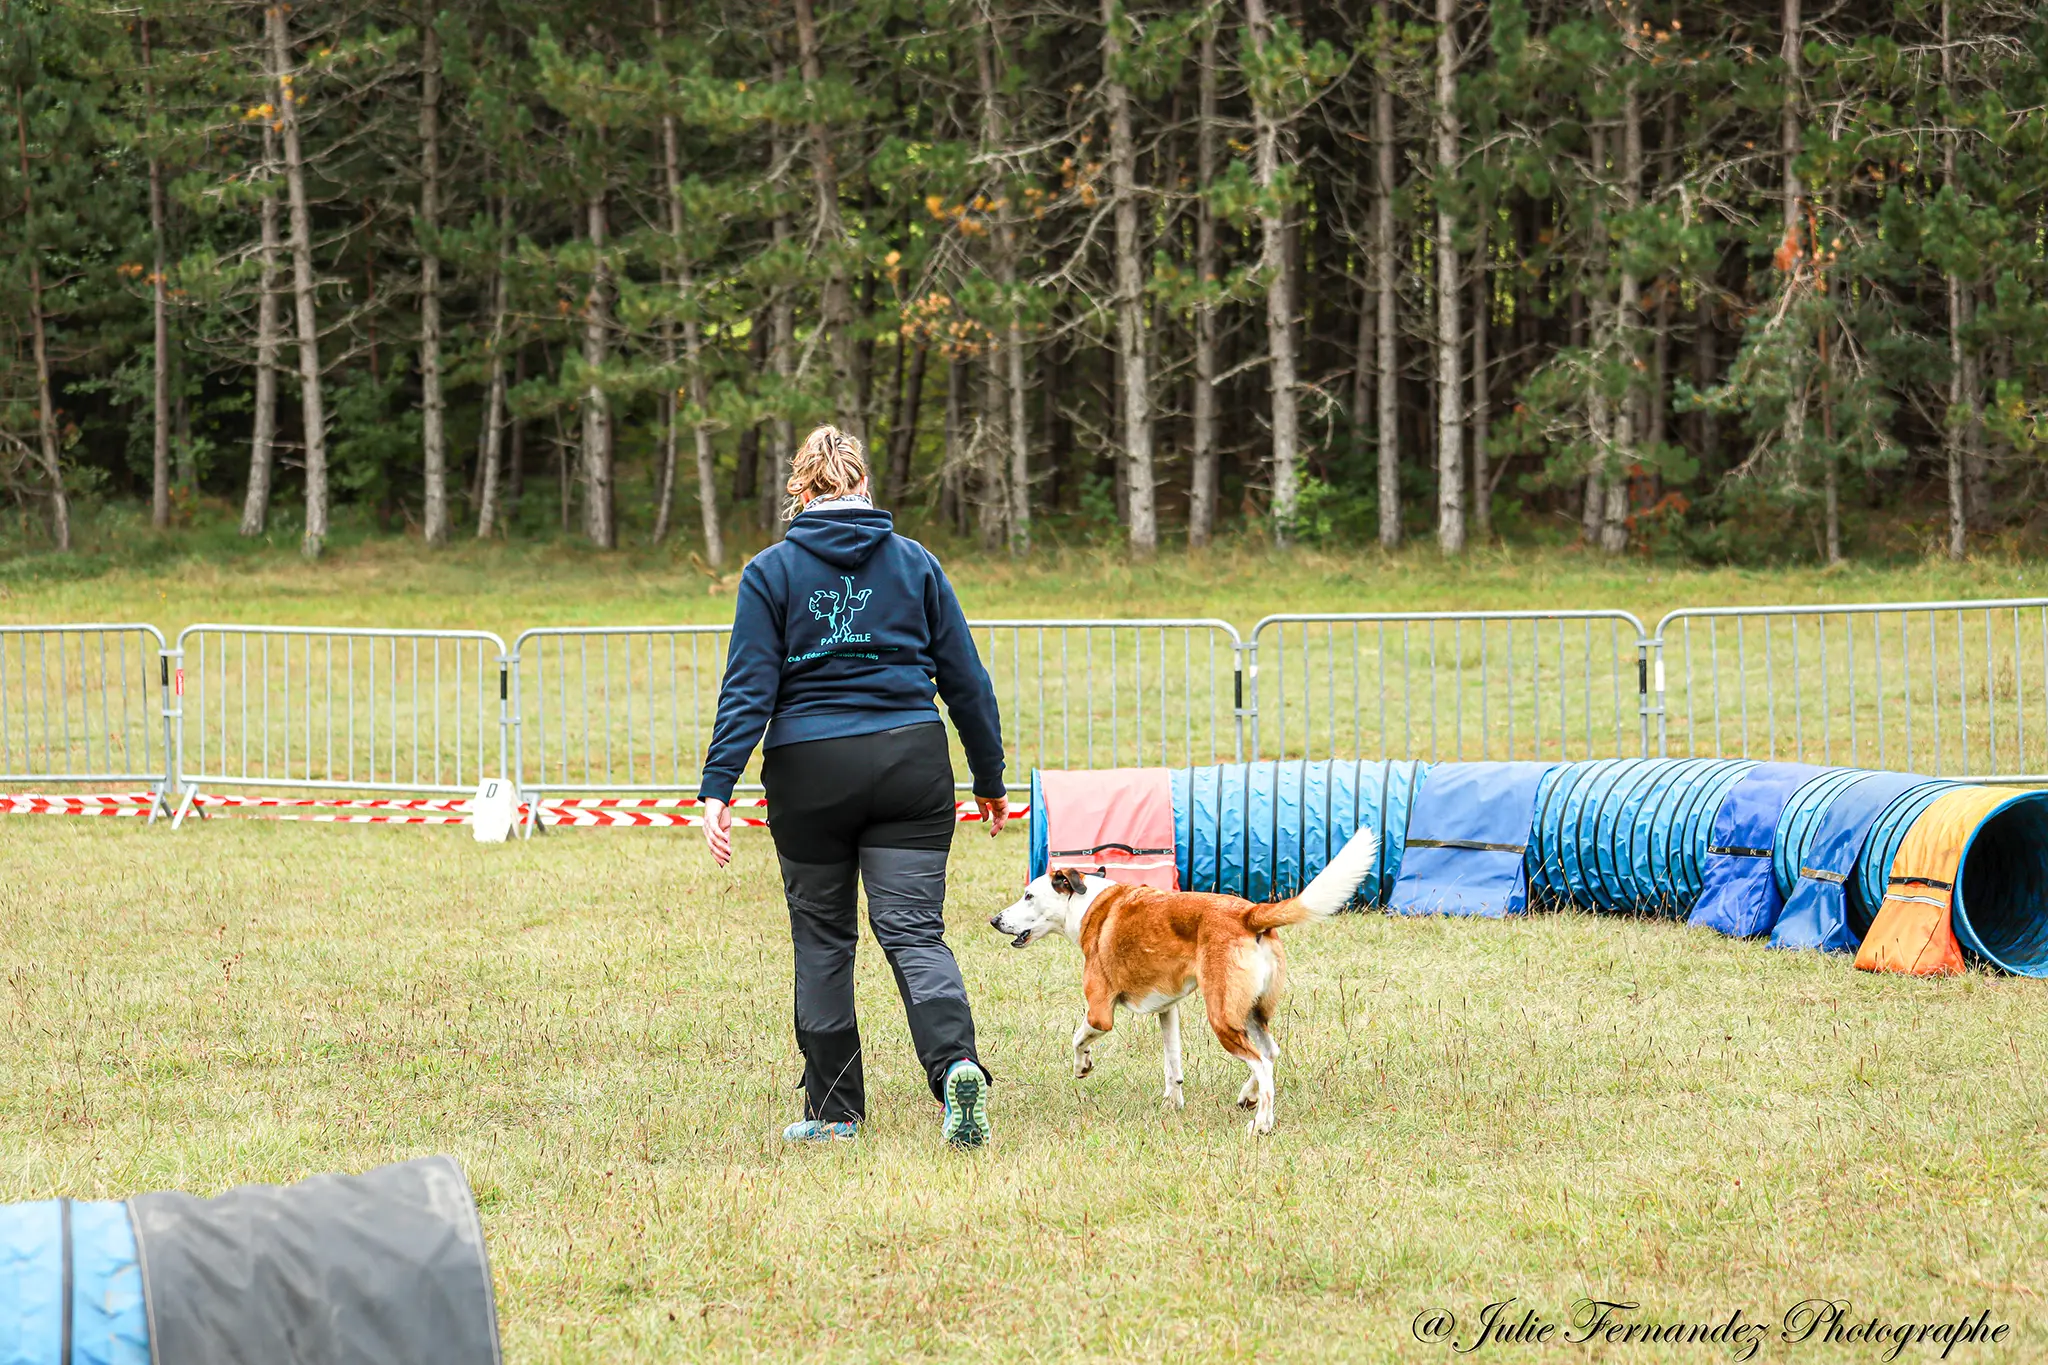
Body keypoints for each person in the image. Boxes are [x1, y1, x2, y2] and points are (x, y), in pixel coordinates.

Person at [698, 424, 1008, 1147]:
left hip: (810, 770)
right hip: (909, 760)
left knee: (823, 940)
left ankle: (836, 1112)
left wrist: (719, 786)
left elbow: (748, 687)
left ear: (799, 492)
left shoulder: (769, 571)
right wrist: (989, 779)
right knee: (913, 931)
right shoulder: (917, 563)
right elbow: (967, 681)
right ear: (864, 485)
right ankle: (955, 1064)